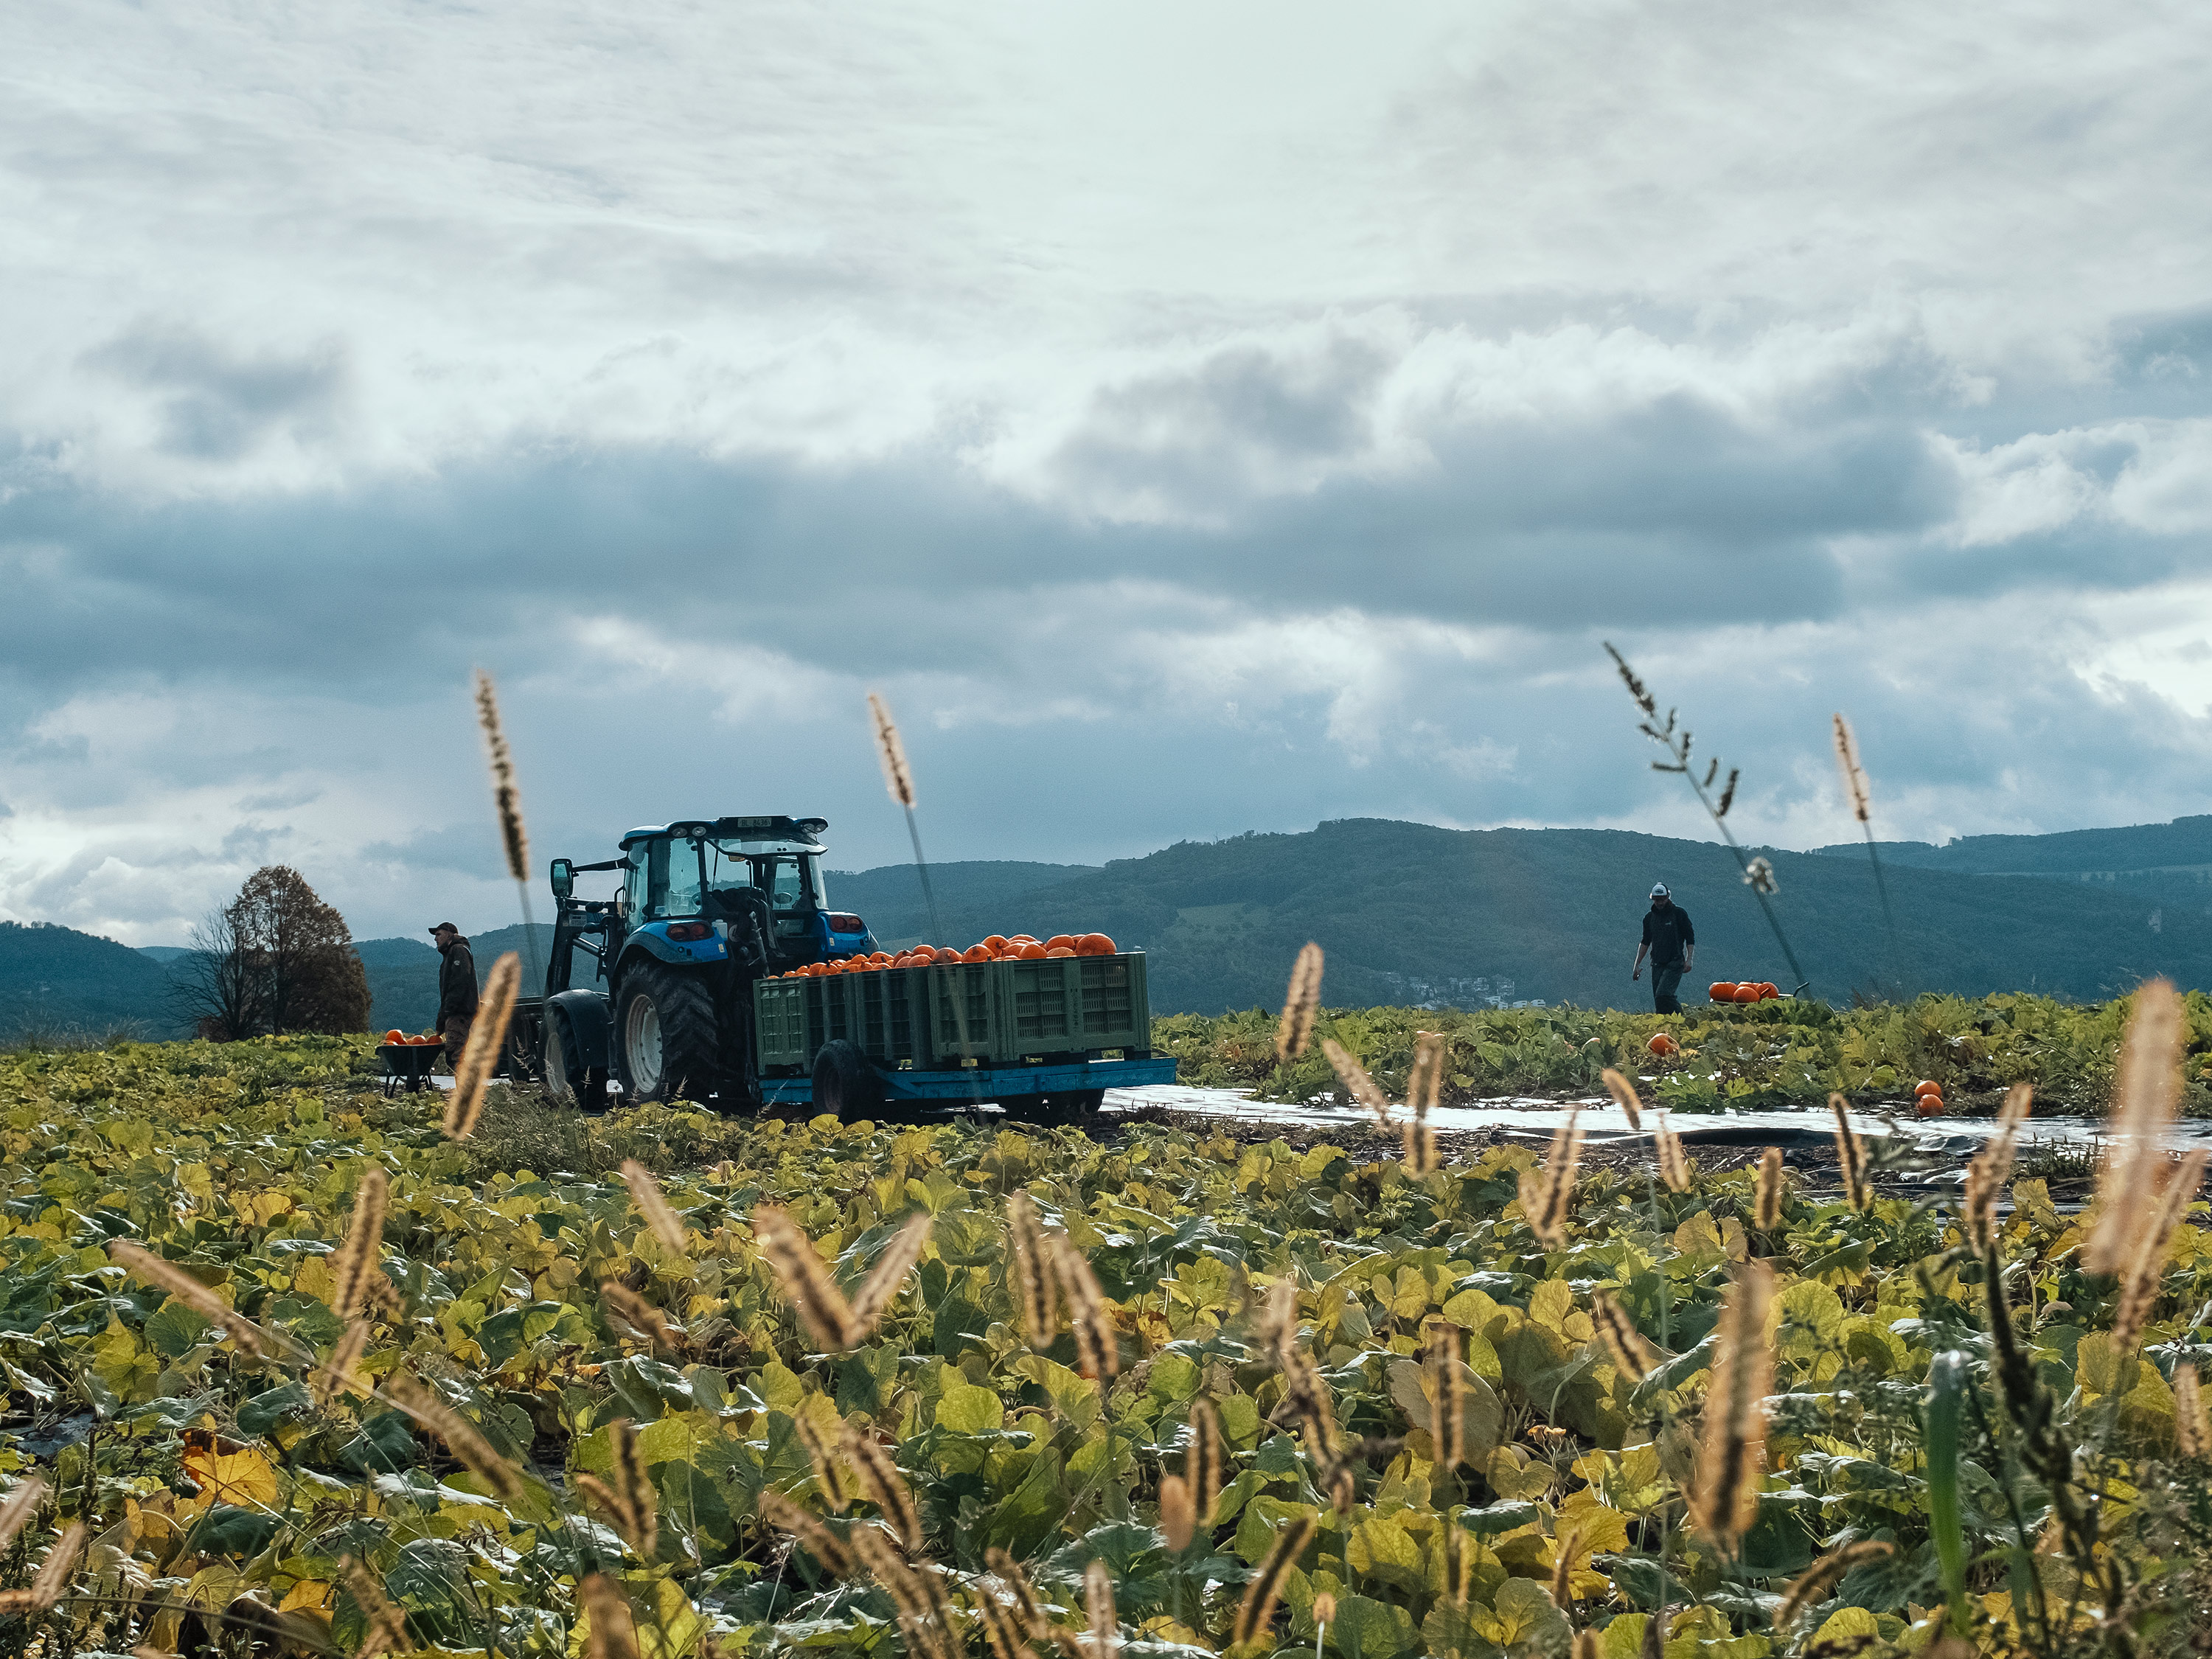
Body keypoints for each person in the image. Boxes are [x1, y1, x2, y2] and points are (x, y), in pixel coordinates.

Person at [1630, 883, 1694, 1014]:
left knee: (1664, 994)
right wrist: (1637, 964)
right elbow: (1645, 942)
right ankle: (1664, 1027)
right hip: (1657, 963)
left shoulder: (1678, 914)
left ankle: (1681, 1020)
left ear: (1668, 898)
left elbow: (1690, 938)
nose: (1659, 903)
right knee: (1659, 1000)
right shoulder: (1649, 918)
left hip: (1675, 961)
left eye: (1662, 899)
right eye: (1657, 900)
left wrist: (1689, 959)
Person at [431, 922, 479, 1071]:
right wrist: (442, 1020)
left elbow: (460, 982)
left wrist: (448, 1011)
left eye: (439, 934)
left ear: (450, 934)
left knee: (457, 1056)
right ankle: (468, 1091)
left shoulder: (458, 951)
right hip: (456, 1013)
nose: (435, 939)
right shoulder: (451, 954)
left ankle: (467, 1093)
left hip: (459, 1013)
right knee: (457, 1056)